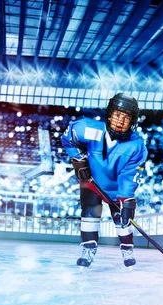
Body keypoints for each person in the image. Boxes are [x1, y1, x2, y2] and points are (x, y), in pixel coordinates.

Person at [61, 93, 148, 269]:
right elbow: (68, 138)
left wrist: (127, 199)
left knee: (122, 221)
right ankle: (88, 250)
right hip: (92, 182)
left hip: (117, 189)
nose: (120, 121)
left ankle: (127, 249)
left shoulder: (136, 145)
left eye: (126, 117)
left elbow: (129, 175)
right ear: (109, 115)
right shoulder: (88, 129)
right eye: (117, 115)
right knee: (89, 215)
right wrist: (77, 160)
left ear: (132, 121)